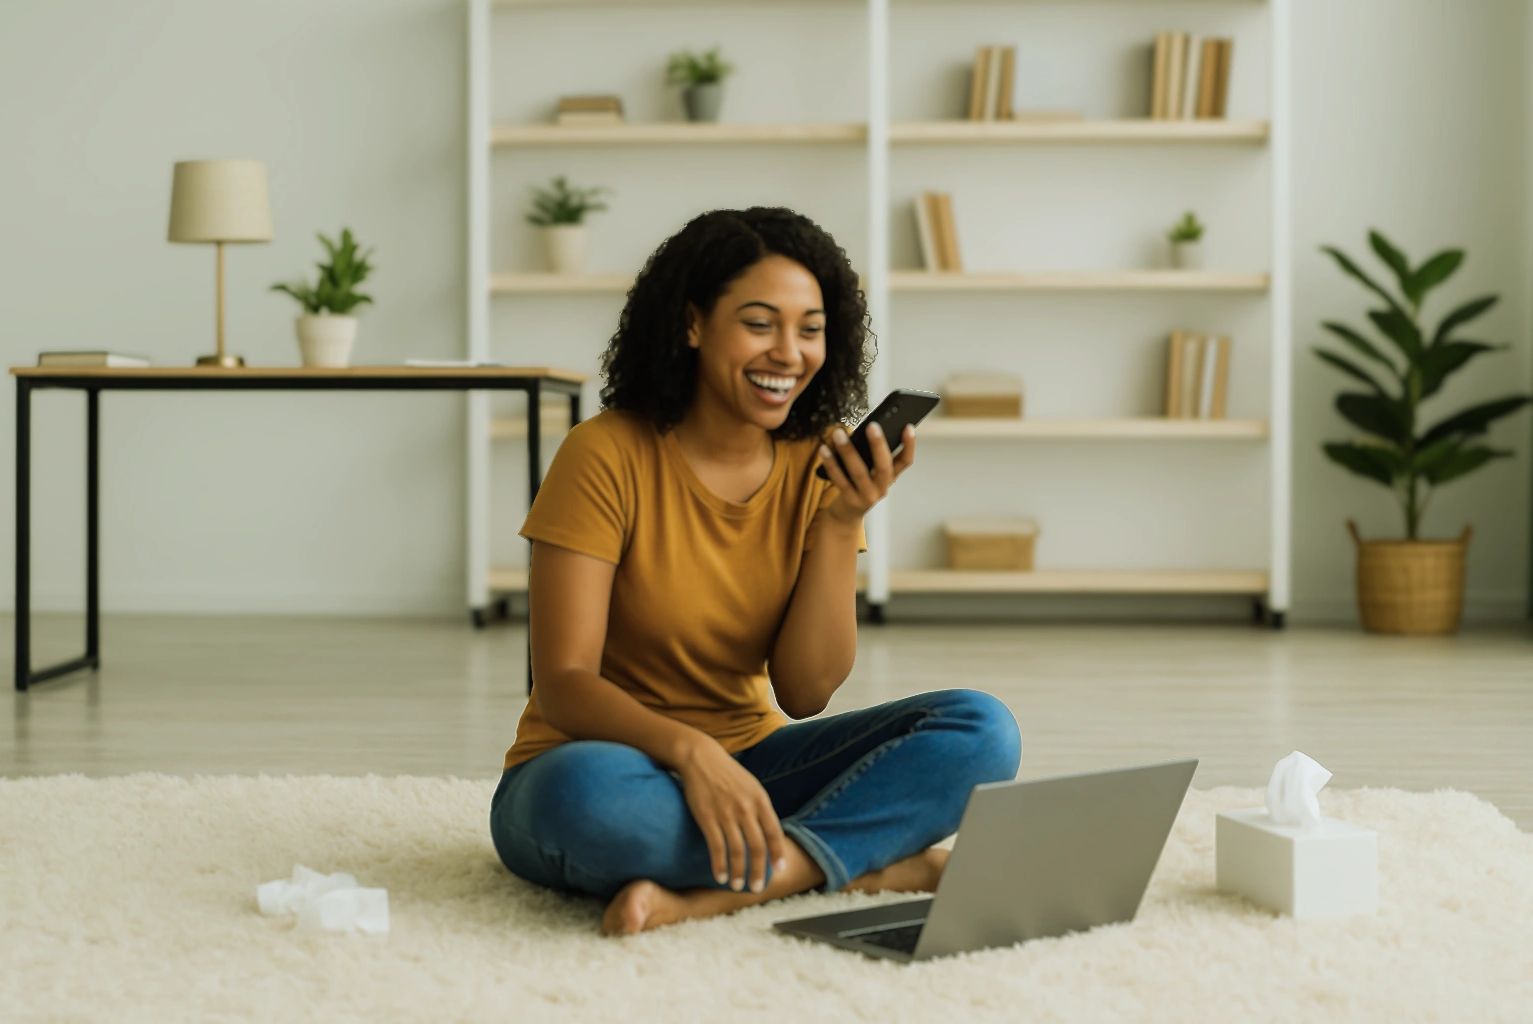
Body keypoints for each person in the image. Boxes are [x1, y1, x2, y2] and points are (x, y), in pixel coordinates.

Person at [488, 206, 1022, 936]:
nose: (788, 353)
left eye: (809, 329)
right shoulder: (603, 453)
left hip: (757, 768)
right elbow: (564, 683)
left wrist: (838, 523)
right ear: (692, 324)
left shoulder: (816, 467)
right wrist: (691, 753)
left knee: (981, 729)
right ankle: (874, 862)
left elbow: (805, 693)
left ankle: (739, 884)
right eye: (759, 323)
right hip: (598, 764)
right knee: (586, 802)